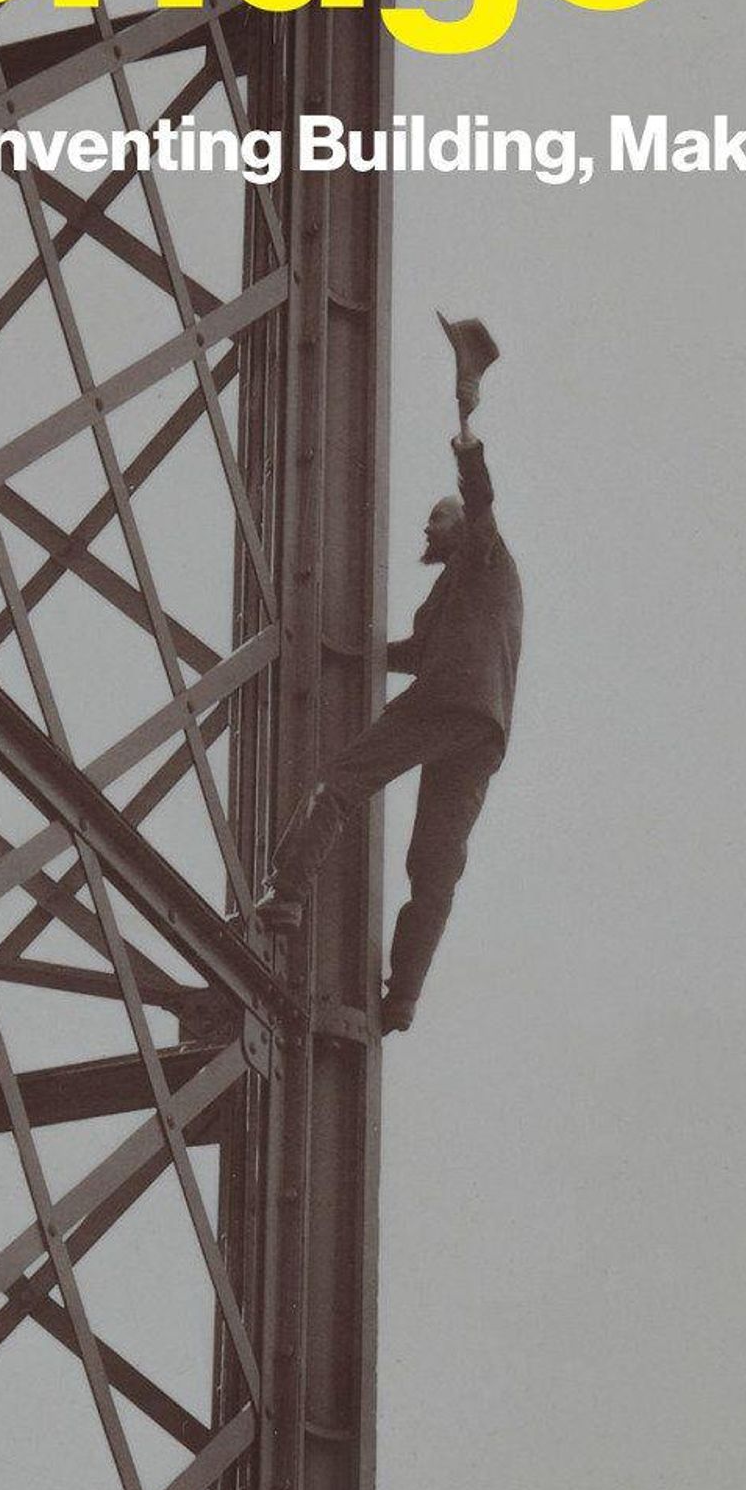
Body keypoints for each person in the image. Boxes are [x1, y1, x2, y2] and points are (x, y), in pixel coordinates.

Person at [254, 316, 521, 1032]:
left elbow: (481, 499)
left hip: (449, 704)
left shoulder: (484, 554)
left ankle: (287, 894)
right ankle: (403, 996)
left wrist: (466, 428)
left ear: (461, 529)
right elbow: (409, 653)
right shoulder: (458, 593)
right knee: (436, 863)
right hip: (483, 731)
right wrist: (355, 653)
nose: (427, 531)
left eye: (437, 521)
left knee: (341, 780)